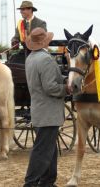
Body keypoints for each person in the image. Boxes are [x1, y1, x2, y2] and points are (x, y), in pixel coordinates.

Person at [23, 27, 69, 187]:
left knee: (50, 149)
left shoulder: (31, 58)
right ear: (45, 42)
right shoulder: (46, 59)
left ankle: (48, 182)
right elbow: (50, 87)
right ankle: (30, 183)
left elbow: (46, 79)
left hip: (39, 111)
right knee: (42, 151)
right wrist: (66, 89)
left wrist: (63, 78)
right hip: (48, 113)